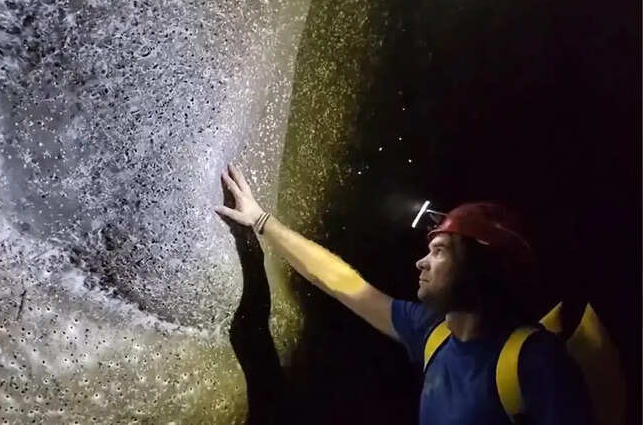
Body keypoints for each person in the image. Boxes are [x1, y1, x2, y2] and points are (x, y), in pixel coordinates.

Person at [214, 163, 594, 425]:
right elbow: (340, 281)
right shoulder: (432, 331)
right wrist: (262, 222)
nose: (421, 263)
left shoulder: (535, 362)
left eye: (440, 251)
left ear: (479, 265)